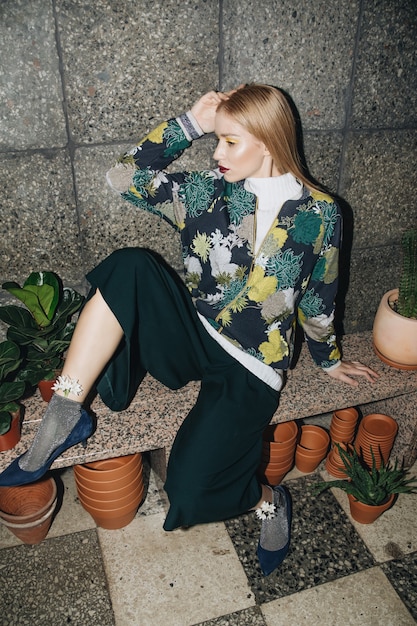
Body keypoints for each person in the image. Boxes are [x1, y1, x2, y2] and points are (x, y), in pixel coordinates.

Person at [0, 84, 378, 575]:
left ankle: (269, 502)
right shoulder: (204, 192)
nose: (217, 152)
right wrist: (190, 124)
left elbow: (320, 295)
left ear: (266, 139)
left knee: (189, 489)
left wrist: (328, 359)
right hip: (193, 332)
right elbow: (123, 176)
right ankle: (65, 411)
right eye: (215, 139)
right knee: (130, 266)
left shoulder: (322, 213)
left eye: (229, 141)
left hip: (252, 364)